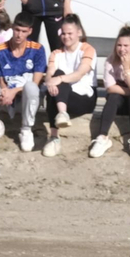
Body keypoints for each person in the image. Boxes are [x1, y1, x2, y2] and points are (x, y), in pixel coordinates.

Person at [0, 10, 46, 152]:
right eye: (17, 30)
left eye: (24, 31)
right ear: (12, 28)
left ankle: (26, 129)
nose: (19, 35)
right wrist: (4, 91)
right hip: (6, 99)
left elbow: (36, 82)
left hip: (26, 99)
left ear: (30, 31)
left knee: (31, 86)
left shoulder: (38, 50)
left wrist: (13, 92)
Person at [89, 25, 130, 159]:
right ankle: (102, 138)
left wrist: (126, 69)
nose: (122, 49)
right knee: (113, 97)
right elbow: (111, 87)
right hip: (123, 101)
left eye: (126, 45)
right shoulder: (110, 60)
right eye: (119, 45)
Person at [42, 15, 97, 157]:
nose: (66, 37)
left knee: (60, 78)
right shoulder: (56, 53)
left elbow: (79, 74)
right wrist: (51, 82)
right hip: (62, 98)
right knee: (54, 83)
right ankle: (55, 136)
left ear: (79, 33)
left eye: (70, 33)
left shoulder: (87, 49)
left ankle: (61, 118)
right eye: (63, 33)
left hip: (83, 97)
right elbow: (49, 75)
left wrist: (58, 79)